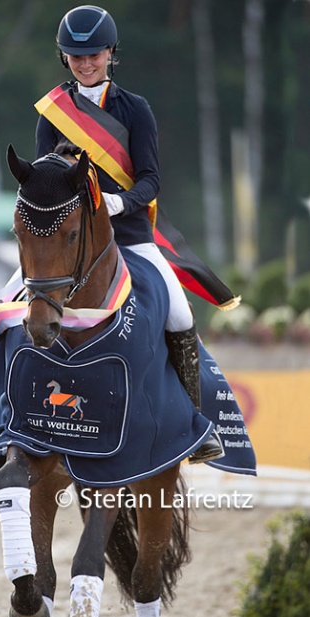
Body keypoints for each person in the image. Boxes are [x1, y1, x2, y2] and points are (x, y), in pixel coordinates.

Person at [35, 5, 223, 464]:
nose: (85, 64)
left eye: (93, 55)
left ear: (110, 52)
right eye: (75, 57)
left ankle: (193, 424)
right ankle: (6, 418)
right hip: (70, 243)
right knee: (12, 304)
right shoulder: (51, 113)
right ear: (64, 58)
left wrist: (119, 202)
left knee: (179, 313)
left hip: (131, 235)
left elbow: (151, 180)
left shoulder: (135, 109)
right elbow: (42, 181)